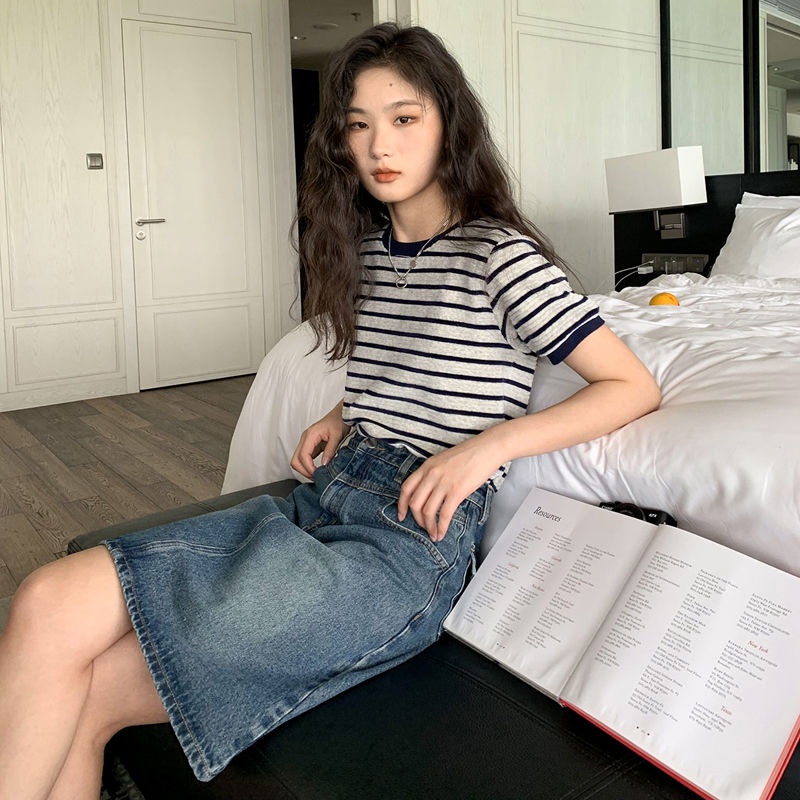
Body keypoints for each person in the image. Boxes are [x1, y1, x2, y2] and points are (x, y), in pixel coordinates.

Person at [0, 23, 660, 799]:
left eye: (404, 118)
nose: (380, 145)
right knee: (44, 600)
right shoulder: (369, 252)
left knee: (93, 696)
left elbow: (631, 387)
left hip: (406, 545)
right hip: (323, 501)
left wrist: (486, 448)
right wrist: (346, 413)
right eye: (358, 124)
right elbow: (412, 362)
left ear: (449, 125)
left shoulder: (501, 257)